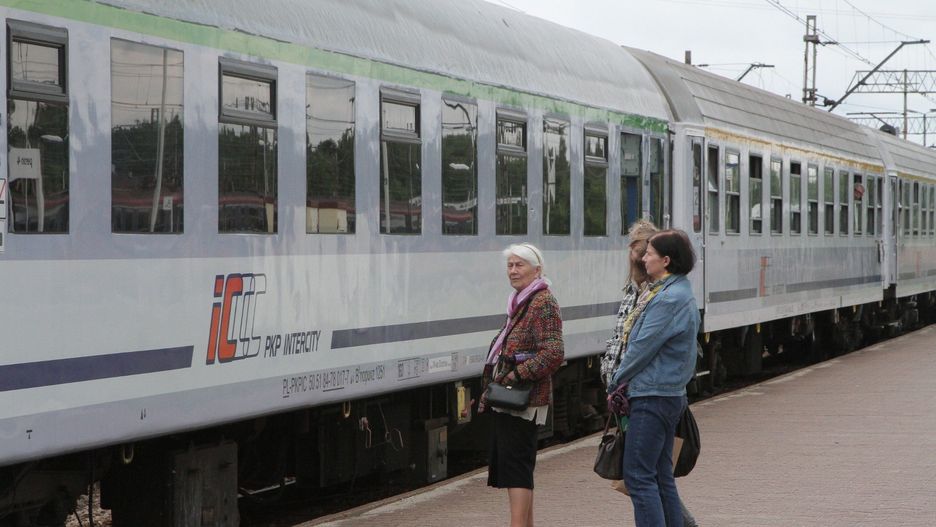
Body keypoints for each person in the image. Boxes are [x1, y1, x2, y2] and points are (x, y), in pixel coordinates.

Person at [601, 221, 699, 527]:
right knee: (660, 476)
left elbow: (641, 347)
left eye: (650, 254)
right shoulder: (676, 291)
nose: (643, 258)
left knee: (639, 477)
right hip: (666, 395)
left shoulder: (667, 299)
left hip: (652, 396)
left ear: (665, 260)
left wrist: (616, 380)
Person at [479, 243, 564, 527]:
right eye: (510, 265)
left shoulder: (542, 302)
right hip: (511, 399)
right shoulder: (521, 301)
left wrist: (516, 375)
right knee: (515, 467)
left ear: (537, 270)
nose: (513, 271)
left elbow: (553, 352)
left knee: (517, 468)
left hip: (523, 399)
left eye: (520, 265)